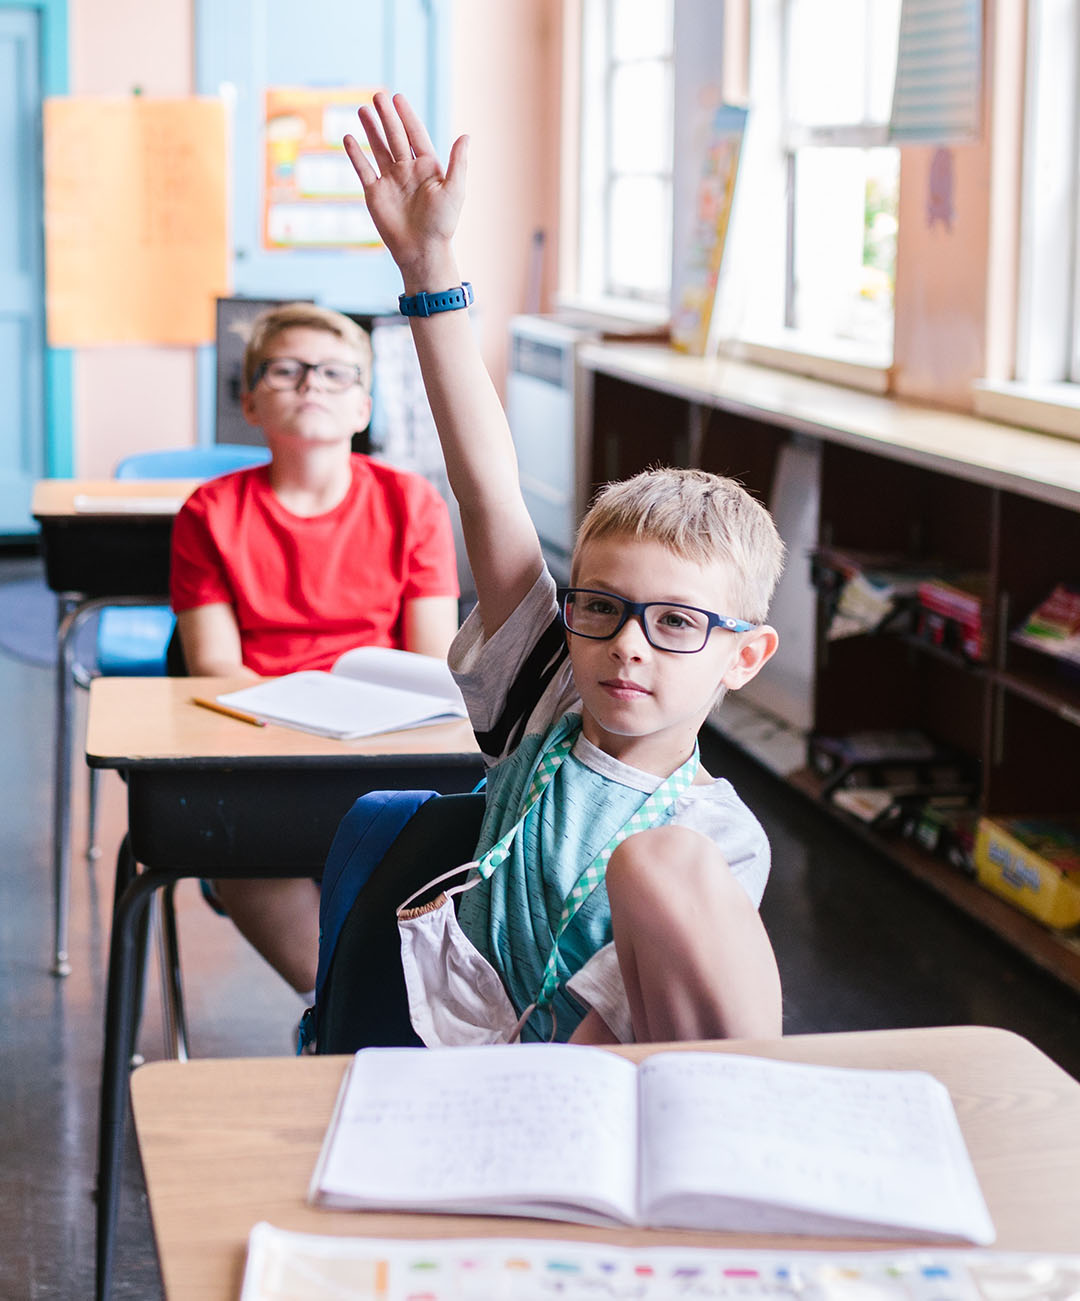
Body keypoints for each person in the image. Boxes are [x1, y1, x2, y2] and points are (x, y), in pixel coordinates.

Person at [344, 92, 785, 1046]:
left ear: (744, 656)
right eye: (602, 607)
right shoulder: (546, 697)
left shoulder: (718, 843)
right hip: (448, 1066)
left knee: (661, 870)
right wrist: (429, 263)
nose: (627, 645)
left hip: (593, 1100)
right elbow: (489, 490)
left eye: (675, 623)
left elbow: (634, 1041)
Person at [170, 301, 460, 997]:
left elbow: (432, 663)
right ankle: (338, 1008)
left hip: (388, 749)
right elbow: (215, 664)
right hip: (263, 747)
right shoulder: (209, 512)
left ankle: (382, 1011)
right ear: (249, 402)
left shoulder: (412, 502)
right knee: (237, 842)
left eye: (335, 373)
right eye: (287, 370)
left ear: (363, 405)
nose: (312, 384)